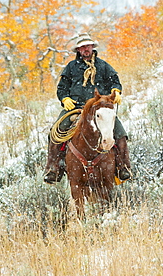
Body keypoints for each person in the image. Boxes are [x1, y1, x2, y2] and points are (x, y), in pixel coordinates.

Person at [44, 33, 131, 184]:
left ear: (92, 47)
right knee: (55, 133)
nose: (86, 49)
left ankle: (123, 167)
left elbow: (114, 81)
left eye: (88, 46)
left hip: (100, 108)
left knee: (120, 134)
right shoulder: (71, 67)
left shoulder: (103, 66)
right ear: (78, 50)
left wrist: (116, 91)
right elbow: (62, 88)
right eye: (82, 47)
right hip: (76, 108)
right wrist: (65, 99)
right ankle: (53, 168)